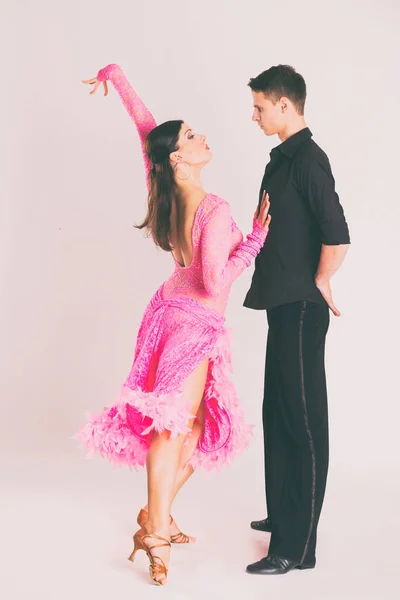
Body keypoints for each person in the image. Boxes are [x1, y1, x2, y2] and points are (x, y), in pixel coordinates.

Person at [77, 63, 271, 586]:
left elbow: (147, 132)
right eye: (190, 136)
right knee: (175, 429)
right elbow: (213, 280)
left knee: (196, 427)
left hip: (165, 315)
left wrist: (117, 77)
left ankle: (152, 518)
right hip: (193, 324)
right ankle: (156, 531)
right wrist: (253, 240)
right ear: (179, 158)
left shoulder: (165, 187)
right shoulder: (212, 207)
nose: (201, 137)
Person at [244, 65, 350, 575]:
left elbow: (338, 233)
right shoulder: (281, 160)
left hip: (303, 309)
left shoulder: (309, 159)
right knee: (277, 412)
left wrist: (323, 281)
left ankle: (297, 546)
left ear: (285, 105)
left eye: (261, 106)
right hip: (281, 306)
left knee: (304, 422)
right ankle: (285, 512)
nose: (255, 114)